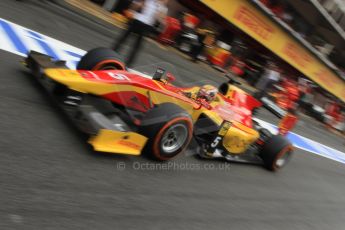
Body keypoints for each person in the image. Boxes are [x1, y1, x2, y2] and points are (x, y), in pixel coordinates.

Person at [113, 0, 168, 67]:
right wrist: (132, 9)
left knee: (136, 46)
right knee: (123, 39)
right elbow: (137, 4)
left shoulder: (164, 8)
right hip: (137, 20)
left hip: (147, 26)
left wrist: (160, 17)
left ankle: (128, 65)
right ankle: (111, 54)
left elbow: (161, 19)